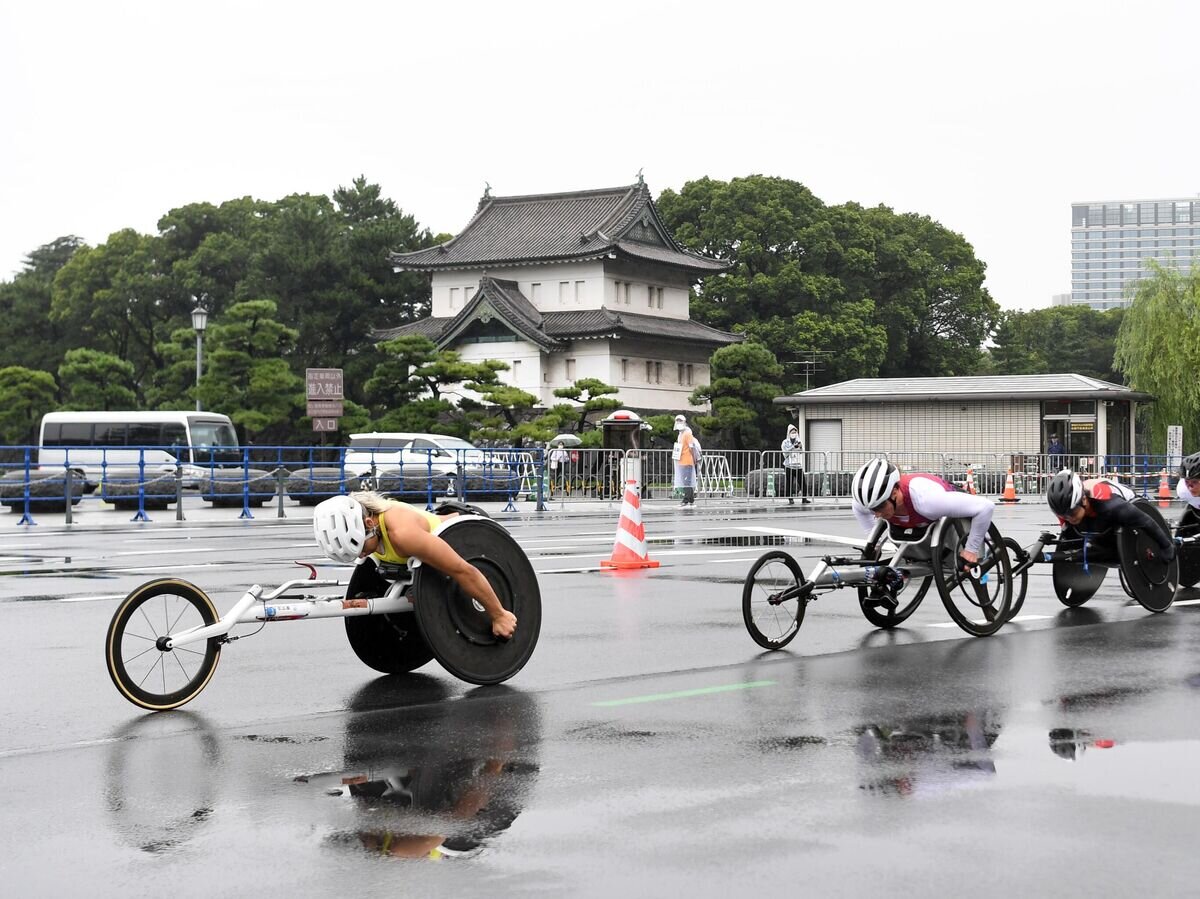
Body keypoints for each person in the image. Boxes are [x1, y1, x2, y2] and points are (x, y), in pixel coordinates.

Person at [312, 491, 517, 639]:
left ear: (369, 524)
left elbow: (463, 570)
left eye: (361, 548)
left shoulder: (403, 534)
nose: (362, 554)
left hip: (471, 534)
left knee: (457, 572)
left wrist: (499, 615)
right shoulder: (369, 532)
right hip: (430, 557)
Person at [850, 458, 995, 565]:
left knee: (979, 545)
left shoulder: (927, 501)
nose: (876, 514)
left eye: (880, 507)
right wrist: (876, 545)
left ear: (894, 492)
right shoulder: (868, 501)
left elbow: (985, 507)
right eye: (872, 509)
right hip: (921, 521)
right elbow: (859, 510)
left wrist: (971, 549)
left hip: (950, 503)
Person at [1045, 469, 1175, 561]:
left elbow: (1146, 521)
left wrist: (1167, 546)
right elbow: (1068, 535)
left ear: (1083, 499)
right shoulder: (1064, 508)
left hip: (1127, 504)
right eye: (1063, 515)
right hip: (1095, 514)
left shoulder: (1111, 505)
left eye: (1072, 513)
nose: (1069, 518)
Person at [672, 414, 701, 507]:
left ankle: (686, 500)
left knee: (687, 482)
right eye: (677, 421)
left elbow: (691, 447)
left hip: (687, 461)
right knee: (686, 481)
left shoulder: (687, 434)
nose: (678, 423)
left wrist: (694, 458)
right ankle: (690, 499)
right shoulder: (680, 435)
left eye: (680, 421)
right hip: (682, 461)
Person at [780, 423, 809, 505]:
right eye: (792, 432)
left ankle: (804, 498)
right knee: (789, 483)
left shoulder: (798, 441)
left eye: (795, 432)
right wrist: (793, 447)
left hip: (798, 465)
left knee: (803, 483)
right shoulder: (785, 442)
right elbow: (785, 453)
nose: (794, 434)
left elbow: (802, 451)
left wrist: (800, 447)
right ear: (789, 433)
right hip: (789, 465)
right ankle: (790, 499)